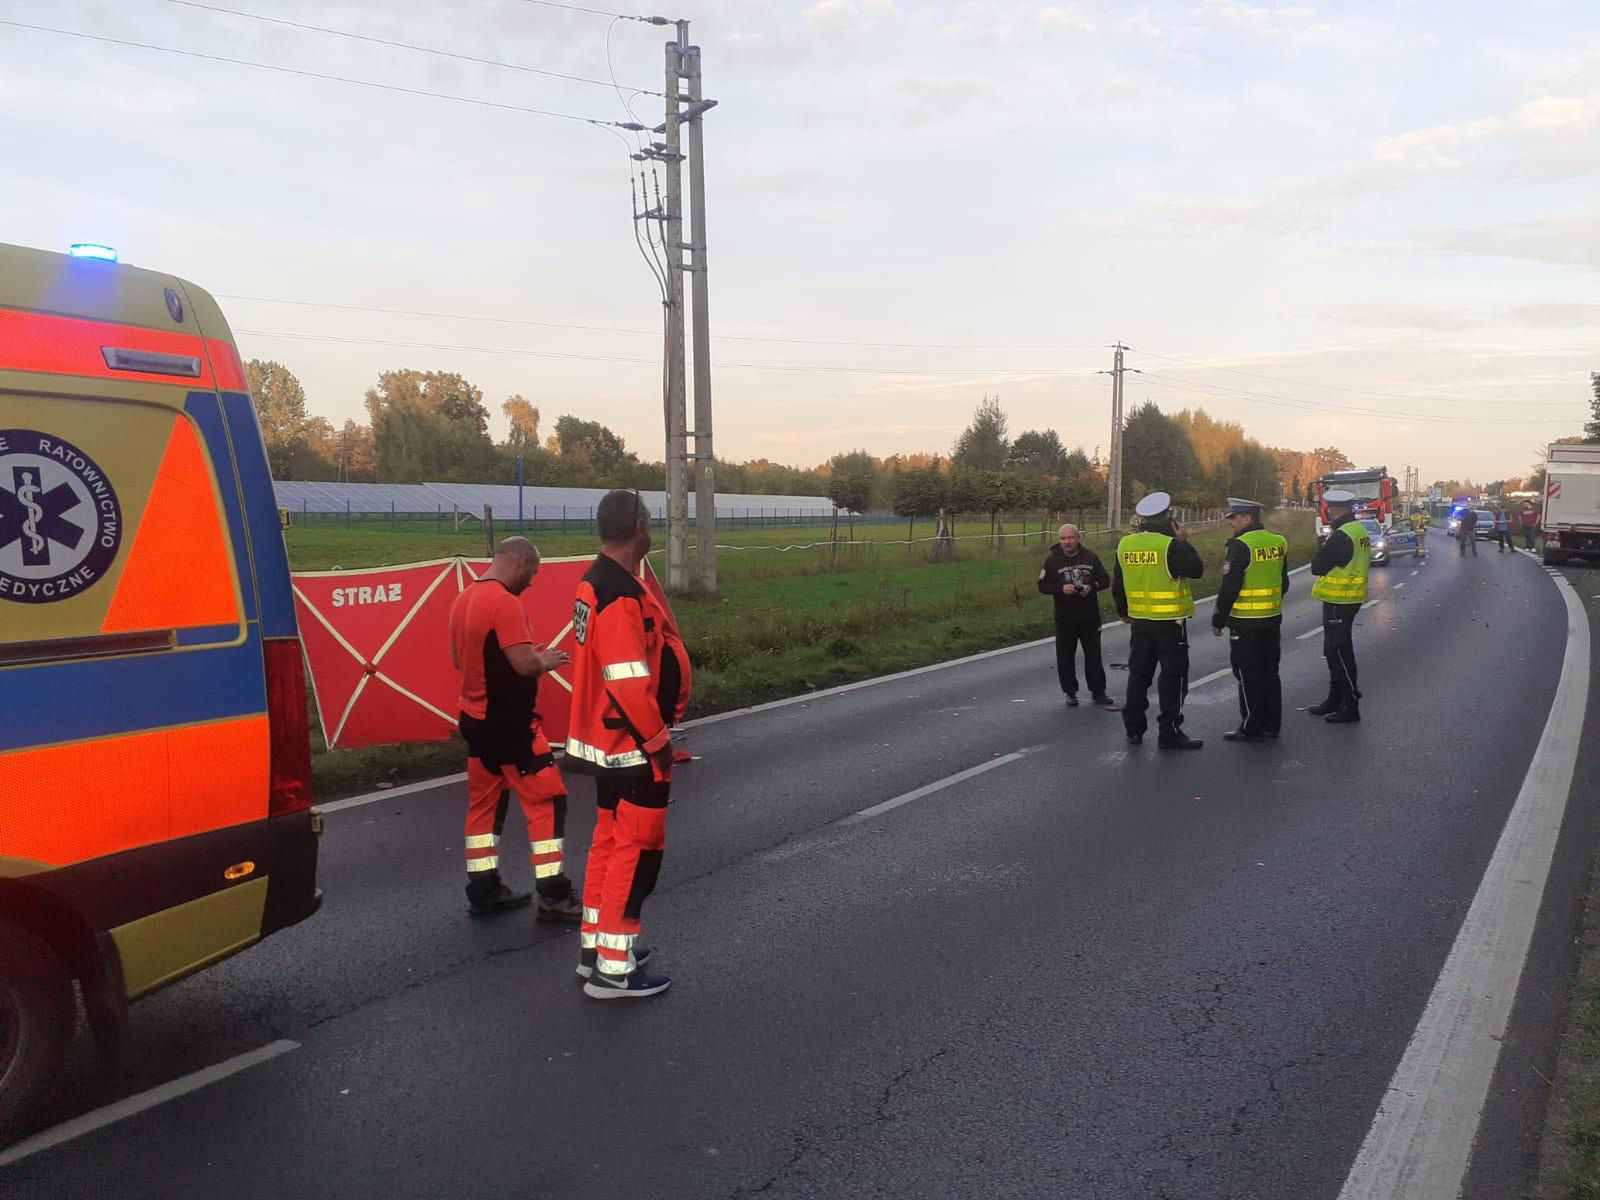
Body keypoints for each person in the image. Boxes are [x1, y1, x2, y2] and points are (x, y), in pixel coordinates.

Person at [568, 492, 679, 1000]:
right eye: (650, 523)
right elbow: (627, 679)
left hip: (607, 741)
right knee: (636, 855)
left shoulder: (599, 582)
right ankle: (615, 970)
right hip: (632, 745)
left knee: (610, 846)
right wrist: (657, 743)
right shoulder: (617, 594)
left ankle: (596, 947)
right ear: (639, 527)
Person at [447, 536, 581, 921]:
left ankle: (484, 890)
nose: (533, 580)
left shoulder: (464, 599)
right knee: (548, 800)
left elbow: (461, 660)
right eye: (534, 571)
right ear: (521, 562)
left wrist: (522, 658)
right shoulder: (506, 604)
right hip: (510, 726)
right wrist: (546, 660)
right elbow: (523, 665)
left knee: (484, 807)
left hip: (473, 721)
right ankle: (554, 895)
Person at [1112, 491, 1206, 749]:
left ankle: (1133, 729)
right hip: (1170, 624)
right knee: (1173, 679)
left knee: (1138, 676)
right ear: (1168, 518)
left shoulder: (1125, 544)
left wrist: (1123, 611)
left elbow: (1118, 583)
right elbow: (1197, 571)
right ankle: (1169, 731)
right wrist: (1185, 541)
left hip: (1140, 621)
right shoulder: (1171, 546)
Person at [1211, 498, 1289, 742]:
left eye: (1234, 518)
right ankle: (1272, 725)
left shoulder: (1239, 545)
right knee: (1269, 672)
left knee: (1247, 675)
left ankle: (1251, 727)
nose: (1231, 523)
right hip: (1272, 618)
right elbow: (1283, 581)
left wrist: (1218, 617)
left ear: (1247, 518)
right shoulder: (1278, 541)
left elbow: (1230, 586)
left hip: (1245, 622)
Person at [1308, 490, 1371, 724]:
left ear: (1333, 509)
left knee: (1339, 653)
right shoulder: (1358, 530)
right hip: (1350, 599)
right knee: (1332, 651)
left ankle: (1350, 704)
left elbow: (1318, 566)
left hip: (1339, 600)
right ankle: (1334, 700)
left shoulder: (1341, 535)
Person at [1037, 524, 1115, 708]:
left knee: (1093, 655)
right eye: (1063, 538)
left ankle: (1098, 691)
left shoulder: (1090, 557)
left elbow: (1105, 580)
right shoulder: (1052, 561)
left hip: (1089, 616)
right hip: (1065, 618)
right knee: (1065, 656)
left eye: (1070, 538)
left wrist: (1092, 587)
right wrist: (1061, 588)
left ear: (1078, 538)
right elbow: (1042, 586)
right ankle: (1070, 692)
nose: (1067, 542)